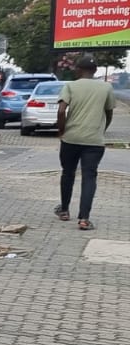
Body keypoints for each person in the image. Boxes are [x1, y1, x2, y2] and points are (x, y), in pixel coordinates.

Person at [54, 56, 115, 231]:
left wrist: (61, 130)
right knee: (89, 177)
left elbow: (61, 111)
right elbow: (109, 113)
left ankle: (64, 210)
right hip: (94, 141)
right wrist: (101, 129)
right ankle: (84, 219)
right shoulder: (106, 87)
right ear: (95, 71)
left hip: (71, 138)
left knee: (68, 173)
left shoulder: (71, 86)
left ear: (78, 70)